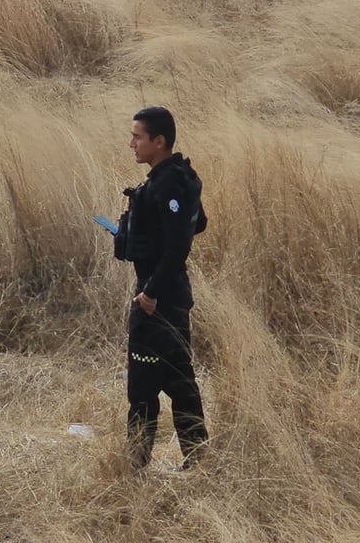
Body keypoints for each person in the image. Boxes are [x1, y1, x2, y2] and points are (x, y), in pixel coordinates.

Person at [117, 106, 208, 471]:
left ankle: (134, 465)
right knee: (179, 380)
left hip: (157, 301)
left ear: (159, 141)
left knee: (142, 389)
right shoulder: (175, 177)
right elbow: (197, 223)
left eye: (138, 137)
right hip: (173, 296)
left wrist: (151, 292)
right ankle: (198, 459)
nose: (132, 144)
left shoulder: (168, 182)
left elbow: (179, 243)